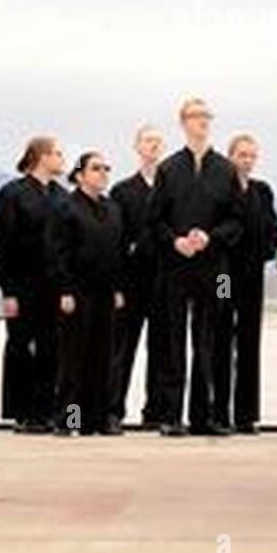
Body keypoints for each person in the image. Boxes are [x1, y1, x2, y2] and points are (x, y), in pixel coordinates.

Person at [147, 97, 244, 437]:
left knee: (213, 338)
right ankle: (171, 417)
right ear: (183, 122)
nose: (203, 122)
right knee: (173, 340)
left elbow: (237, 222)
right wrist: (175, 241)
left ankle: (209, 416)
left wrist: (211, 237)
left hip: (217, 271)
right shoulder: (169, 169)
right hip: (175, 266)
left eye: (207, 116)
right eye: (196, 116)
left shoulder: (225, 169)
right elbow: (154, 221)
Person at [0, 136, 67, 434]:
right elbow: (2, 245)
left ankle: (46, 410)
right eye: (58, 154)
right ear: (41, 156)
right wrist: (7, 290)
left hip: (54, 286)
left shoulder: (62, 196)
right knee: (21, 347)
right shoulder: (12, 194)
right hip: (23, 285)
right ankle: (21, 411)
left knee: (52, 348)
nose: (62, 160)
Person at [51, 151, 124, 436]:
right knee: (74, 360)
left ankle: (99, 419)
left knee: (102, 357)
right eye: (96, 168)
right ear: (80, 175)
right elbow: (57, 253)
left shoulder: (113, 208)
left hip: (105, 293)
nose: (103, 173)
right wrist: (65, 289)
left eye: (106, 168)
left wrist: (118, 288)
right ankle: (70, 419)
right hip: (77, 293)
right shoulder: (66, 208)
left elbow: (118, 252)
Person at [217, 135, 277, 434]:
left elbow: (273, 231)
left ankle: (245, 414)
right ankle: (219, 412)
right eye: (242, 155)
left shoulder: (262, 191)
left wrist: (265, 253)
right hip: (224, 276)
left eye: (251, 156)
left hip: (252, 275)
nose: (247, 160)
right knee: (219, 336)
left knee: (248, 342)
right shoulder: (218, 189)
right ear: (230, 156)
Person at [108, 125, 166, 432]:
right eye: (148, 141)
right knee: (121, 349)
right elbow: (115, 241)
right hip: (131, 283)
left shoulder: (172, 187)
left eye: (158, 141)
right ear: (137, 146)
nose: (153, 146)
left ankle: (156, 412)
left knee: (161, 350)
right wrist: (116, 285)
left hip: (164, 282)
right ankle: (112, 410)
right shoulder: (122, 191)